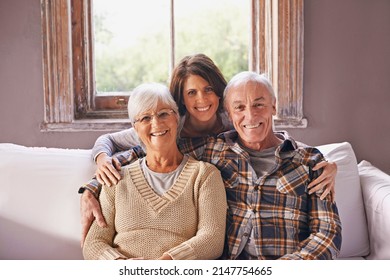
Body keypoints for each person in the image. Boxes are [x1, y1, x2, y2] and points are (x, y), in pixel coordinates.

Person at [79, 54, 337, 246]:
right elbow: (142, 151)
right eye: (192, 93)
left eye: (208, 90)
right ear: (181, 101)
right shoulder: (178, 132)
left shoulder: (233, 122)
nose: (201, 100)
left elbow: (273, 141)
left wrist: (325, 162)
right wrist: (92, 185)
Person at [82, 83, 227, 260]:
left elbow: (212, 239)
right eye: (145, 118)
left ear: (176, 118)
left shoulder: (205, 175)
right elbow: (94, 242)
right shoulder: (117, 178)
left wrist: (165, 265)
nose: (156, 123)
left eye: (164, 114)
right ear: (135, 128)